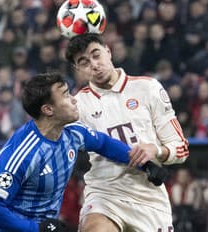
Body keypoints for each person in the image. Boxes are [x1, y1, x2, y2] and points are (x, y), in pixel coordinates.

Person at [0, 73, 154, 232]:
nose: (74, 99)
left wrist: (143, 163)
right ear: (48, 109)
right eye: (66, 95)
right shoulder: (23, 153)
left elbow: (103, 143)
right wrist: (36, 228)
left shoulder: (72, 131)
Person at [65, 33, 190, 232]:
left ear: (108, 51)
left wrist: (156, 150)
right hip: (105, 192)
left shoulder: (148, 88)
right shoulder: (77, 105)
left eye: (96, 55)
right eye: (84, 62)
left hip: (149, 196)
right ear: (77, 69)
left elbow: (181, 148)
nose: (94, 65)